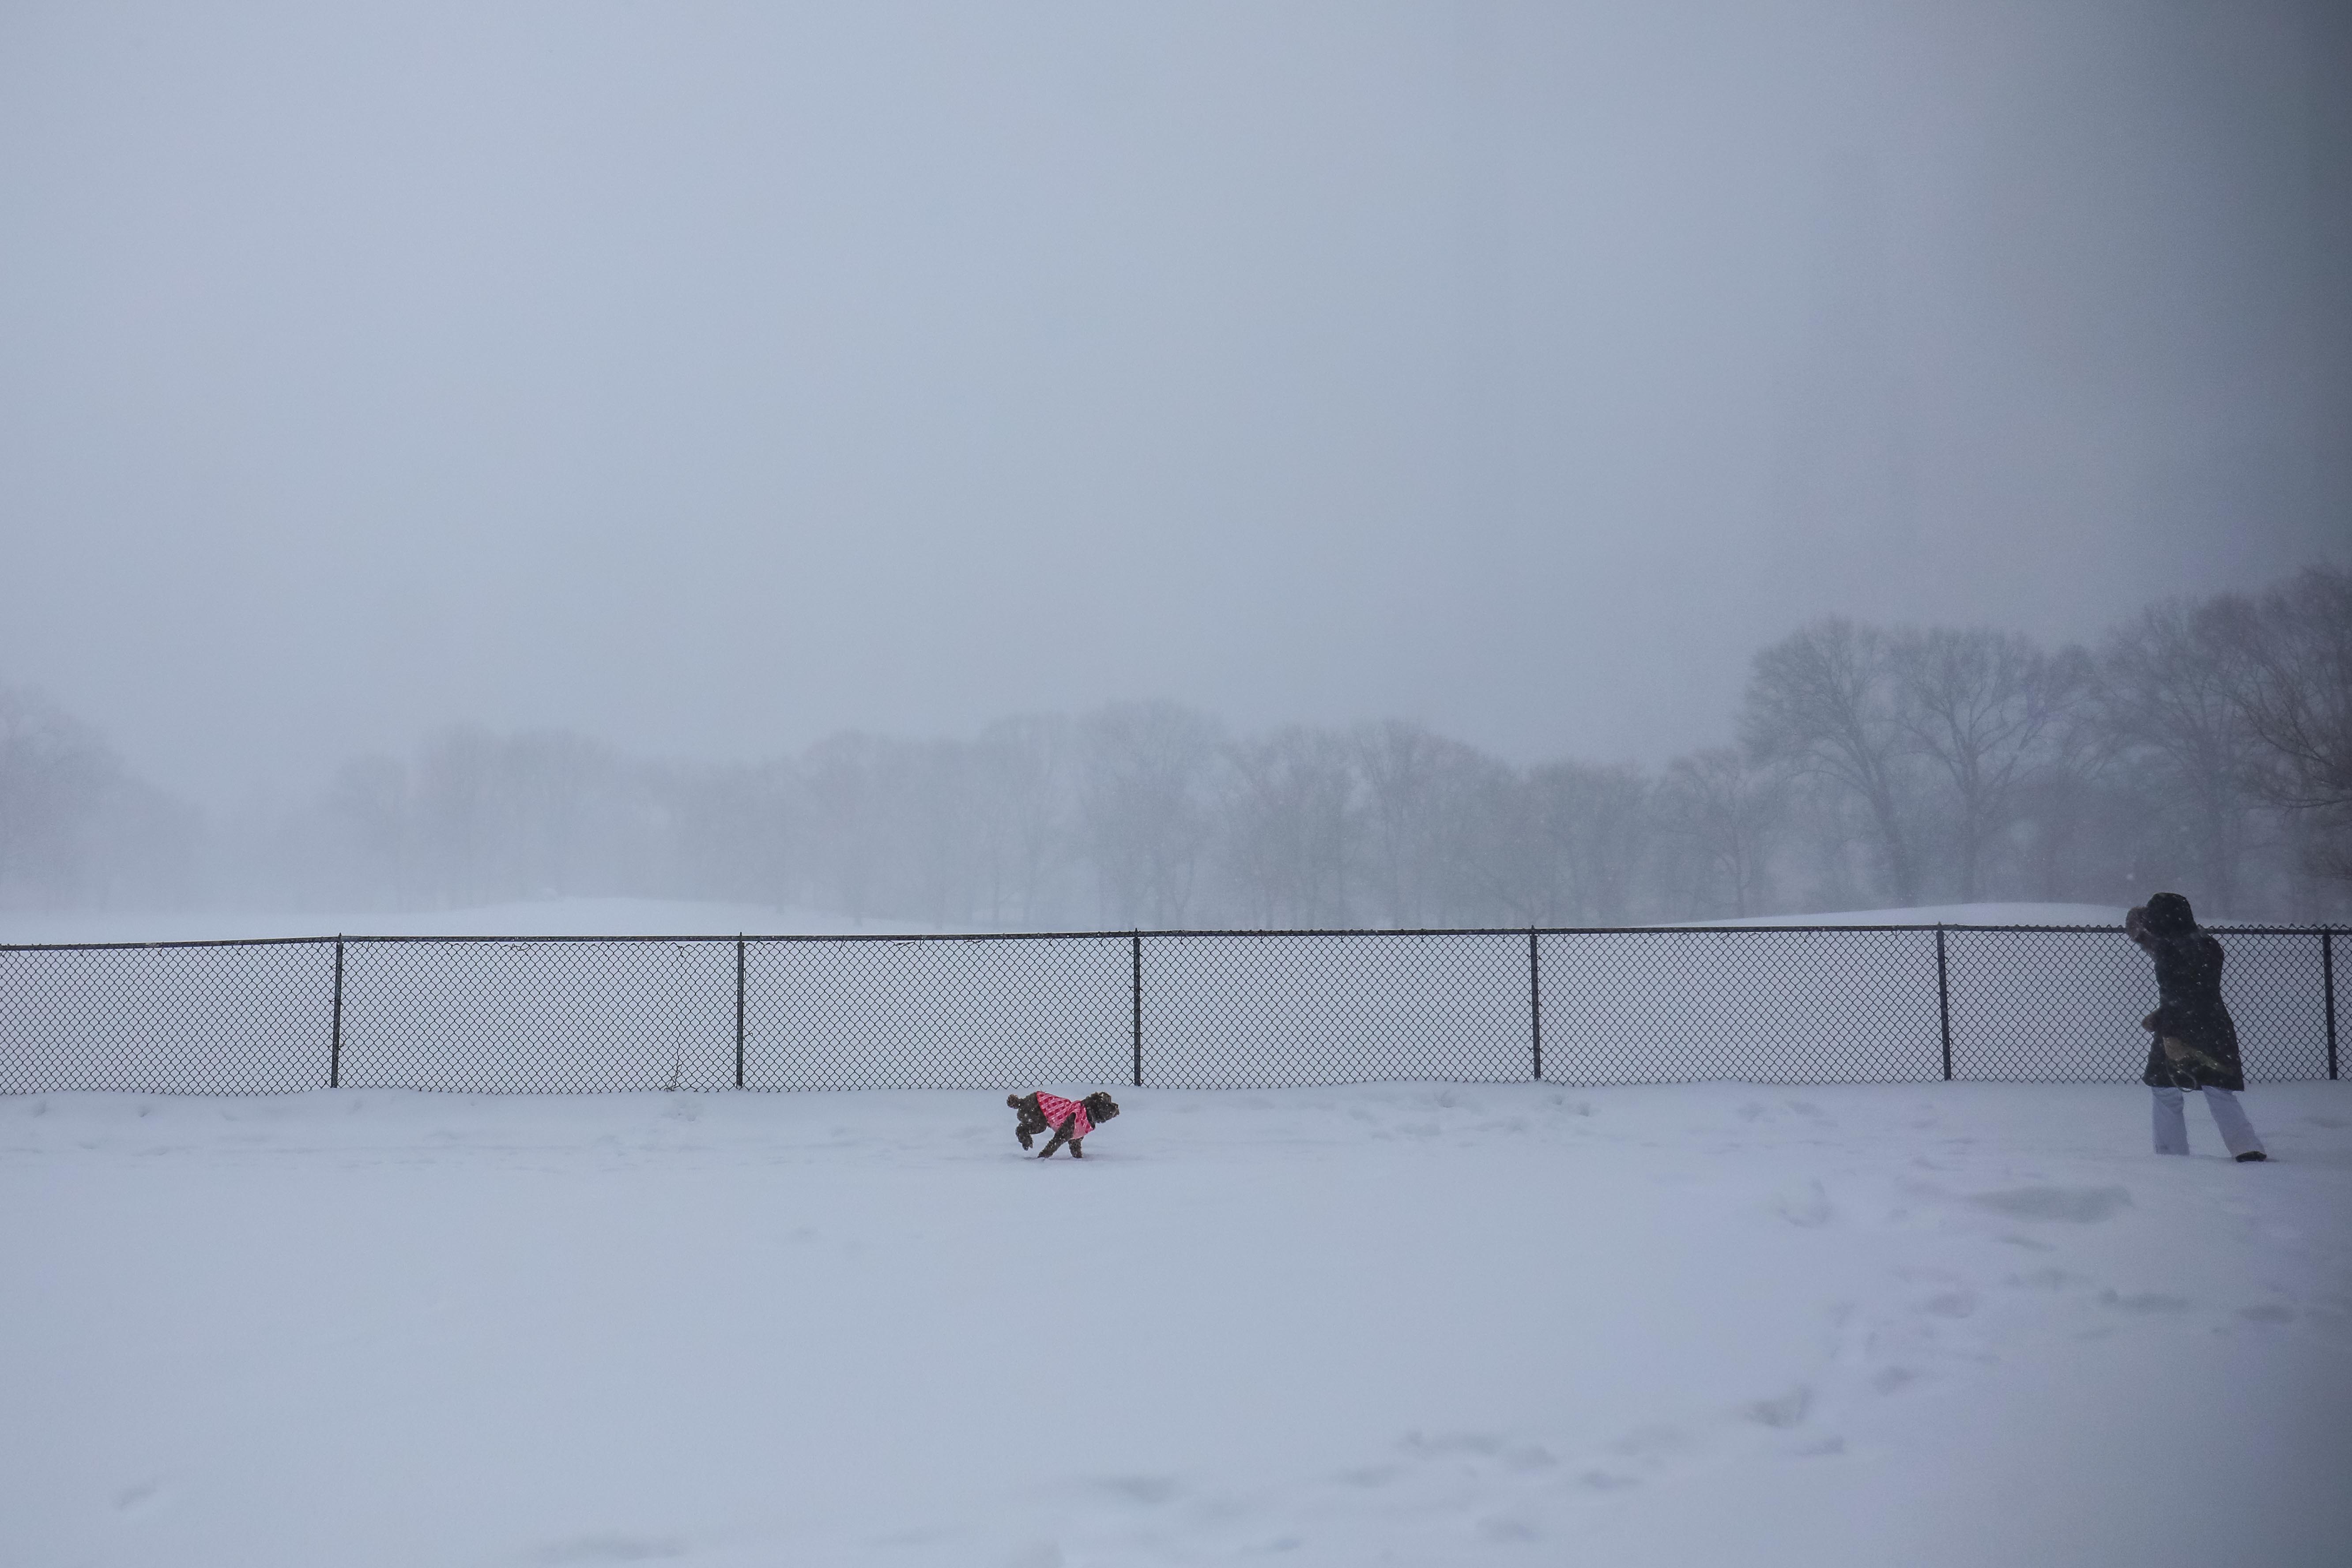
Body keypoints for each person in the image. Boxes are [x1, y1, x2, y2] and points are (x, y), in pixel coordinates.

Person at [2124, 892, 2266, 1162]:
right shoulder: (2209, 944)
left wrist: (2168, 1032)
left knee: (2165, 1089)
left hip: (2179, 1026)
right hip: (2215, 1023)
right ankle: (2247, 1147)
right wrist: (2145, 937)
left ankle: (2170, 1153)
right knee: (2218, 1088)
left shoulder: (2169, 951)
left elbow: (2174, 991)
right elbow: (2194, 987)